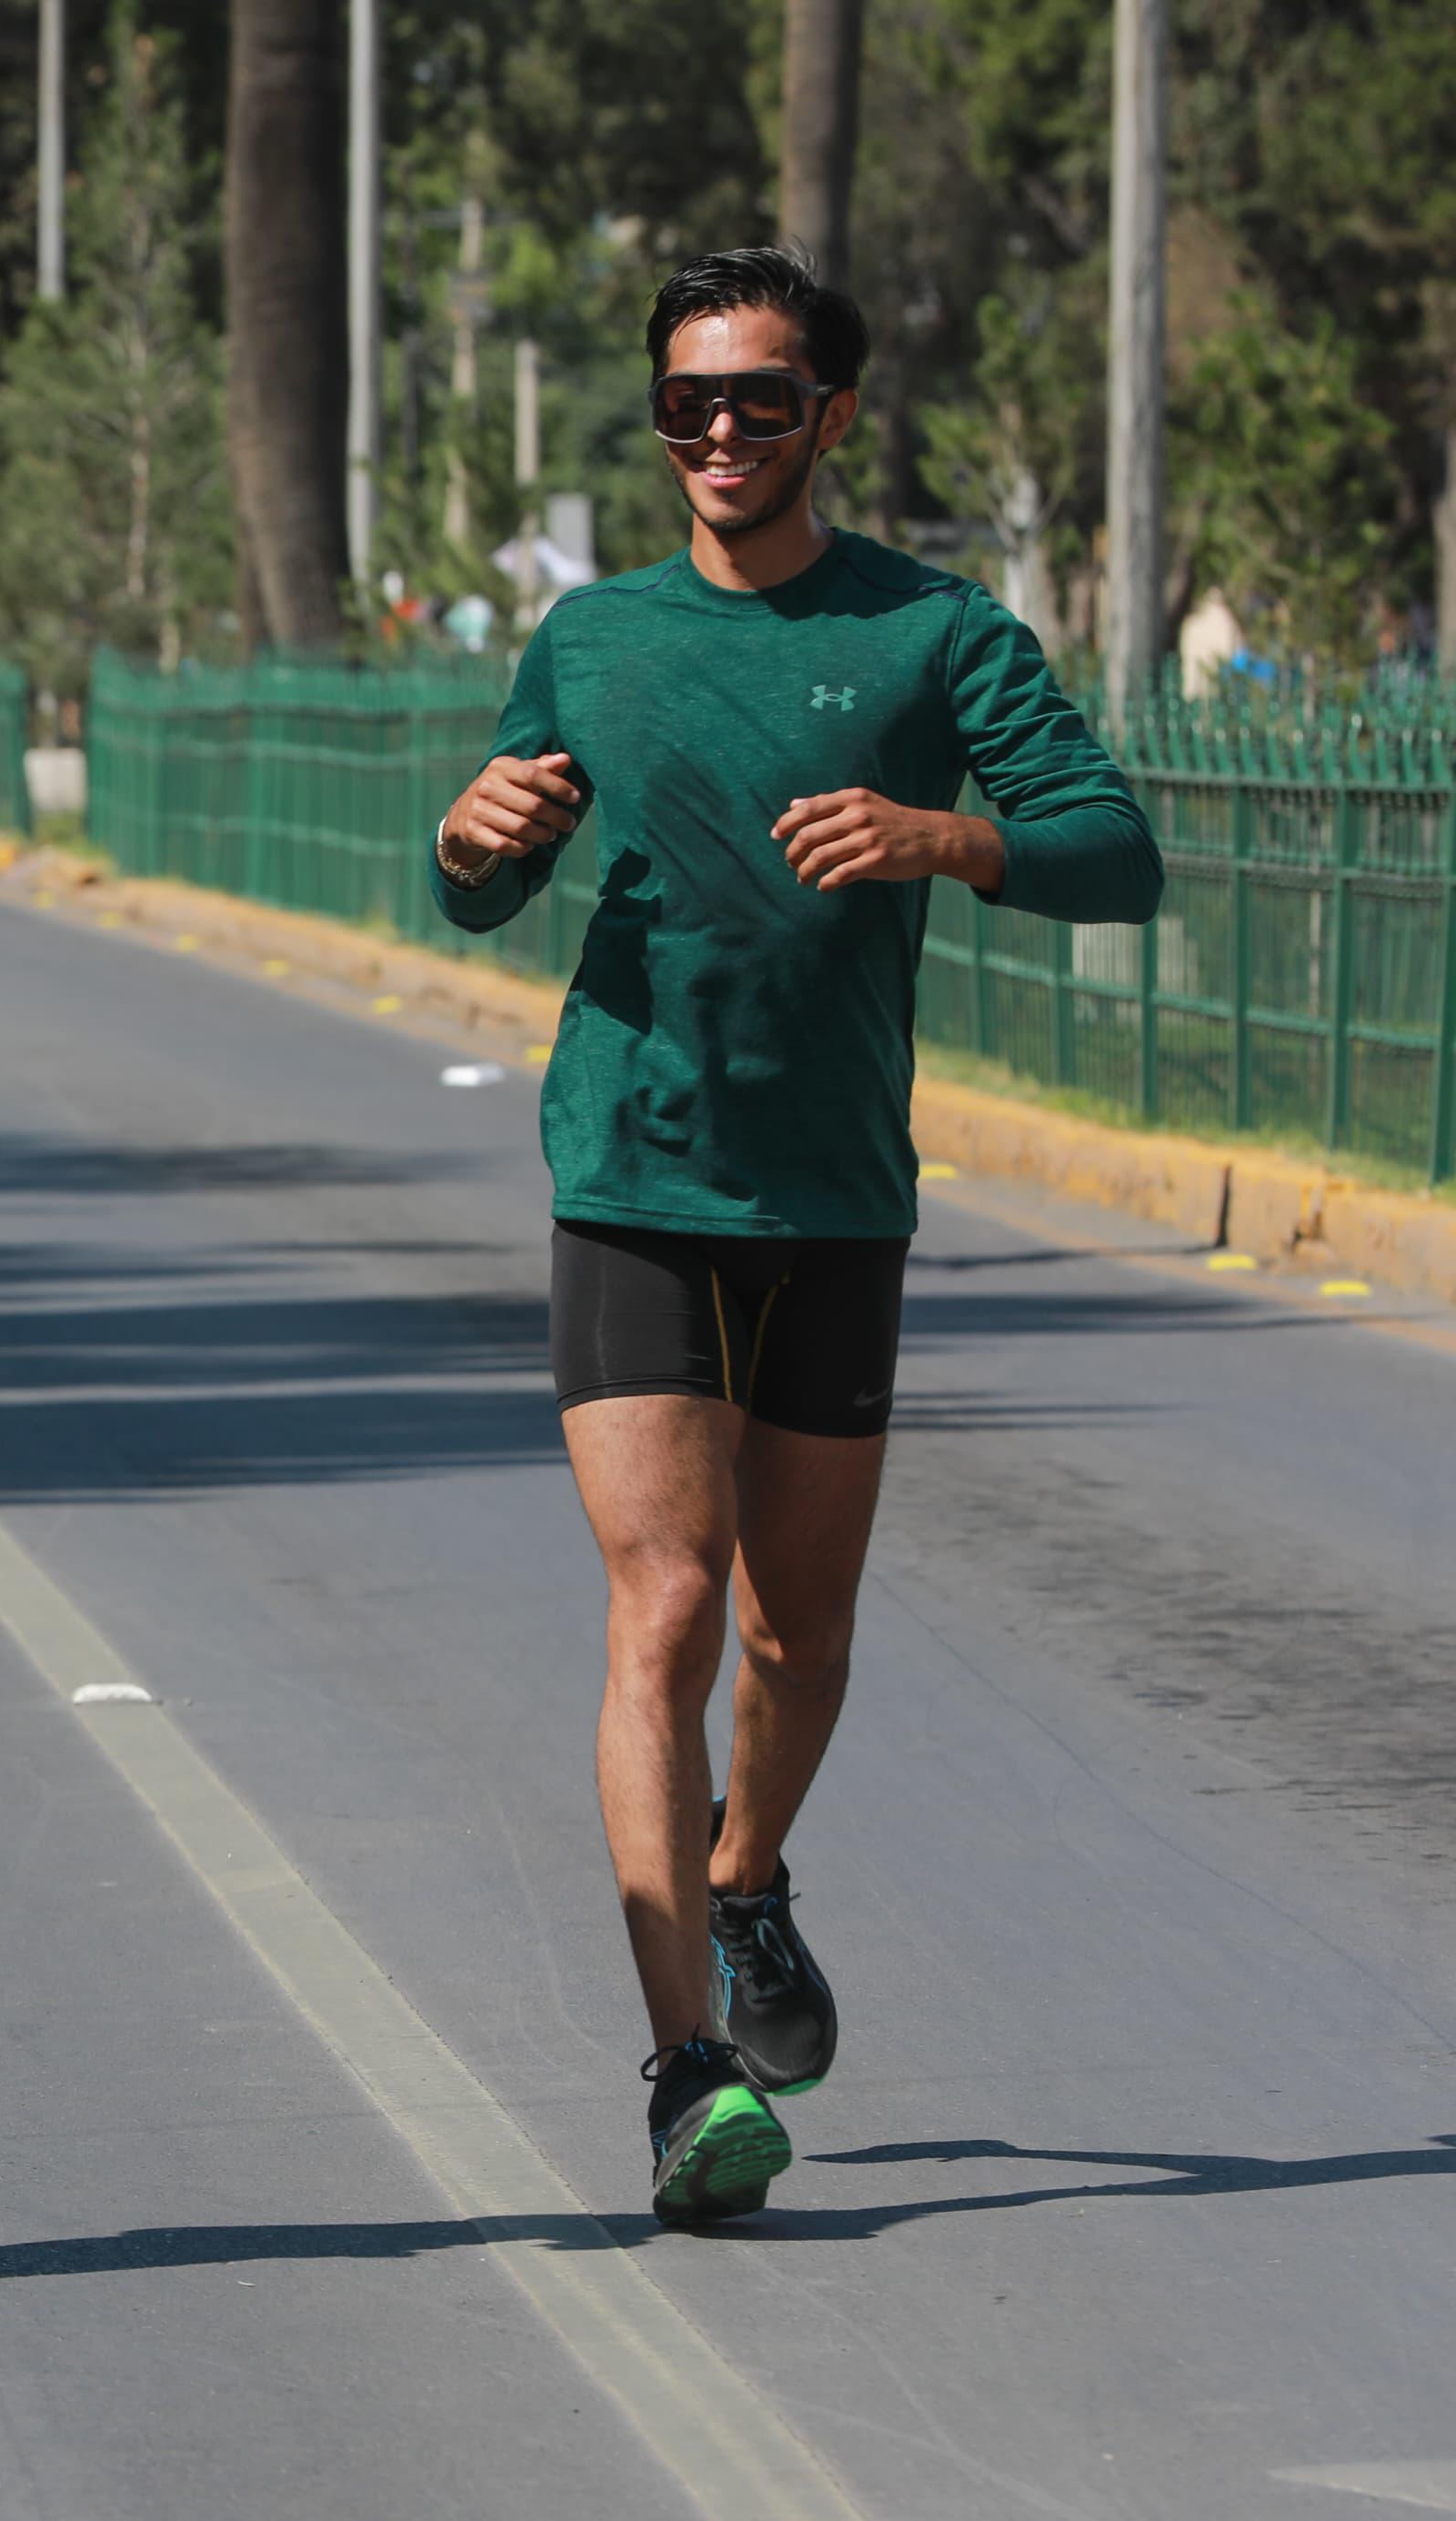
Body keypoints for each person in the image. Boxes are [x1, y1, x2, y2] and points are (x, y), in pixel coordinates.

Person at [427, 248, 1161, 2226]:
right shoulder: (593, 633)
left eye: (762, 400)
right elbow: (489, 876)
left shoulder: (933, 630)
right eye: (690, 403)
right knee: (665, 1605)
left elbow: (1117, 851)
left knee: (794, 1634)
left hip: (834, 1191)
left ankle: (744, 1875)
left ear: (832, 415)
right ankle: (687, 2071)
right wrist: (470, 842)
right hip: (631, 1170)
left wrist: (948, 838)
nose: (724, 434)